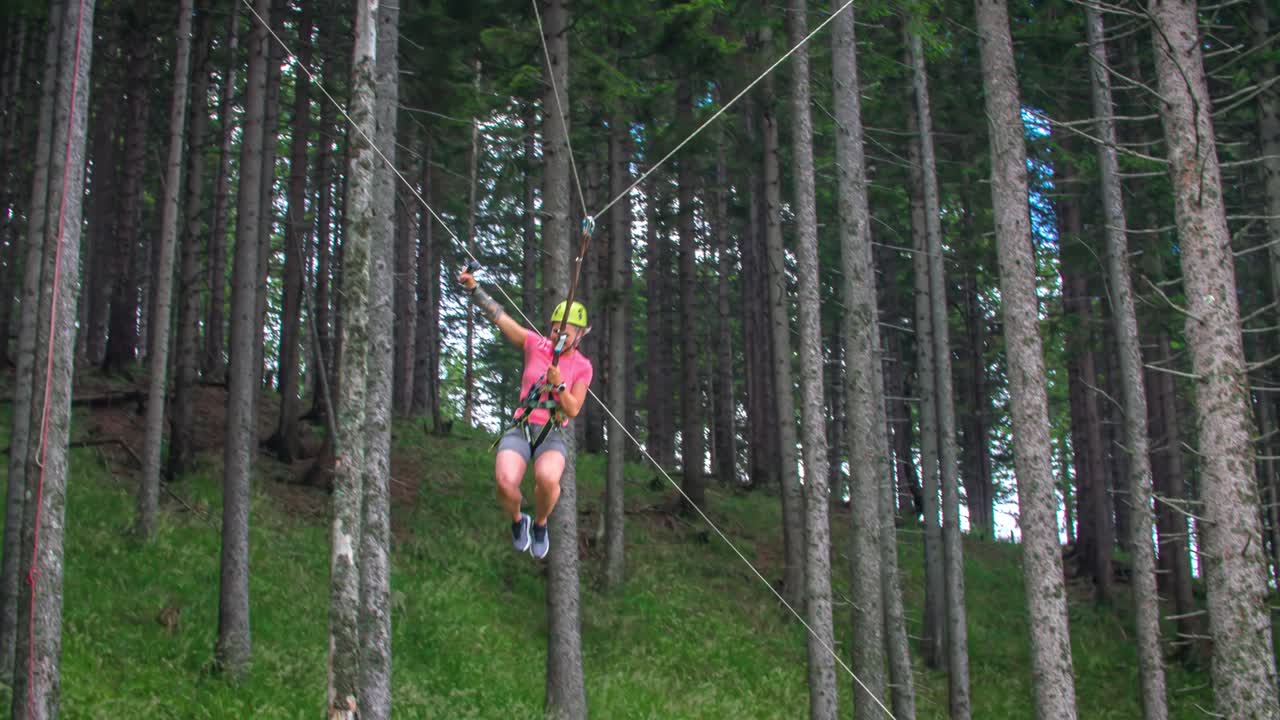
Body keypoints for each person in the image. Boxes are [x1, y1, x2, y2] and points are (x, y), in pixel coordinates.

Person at [458, 268, 594, 560]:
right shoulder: (535, 344)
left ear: (580, 336)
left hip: (551, 433)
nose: (558, 334)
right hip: (521, 426)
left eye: (566, 331)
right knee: (505, 482)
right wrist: (474, 289)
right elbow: (500, 318)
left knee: (547, 480)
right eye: (556, 328)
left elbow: (573, 408)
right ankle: (519, 521)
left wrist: (558, 384)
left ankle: (541, 524)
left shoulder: (582, 366)